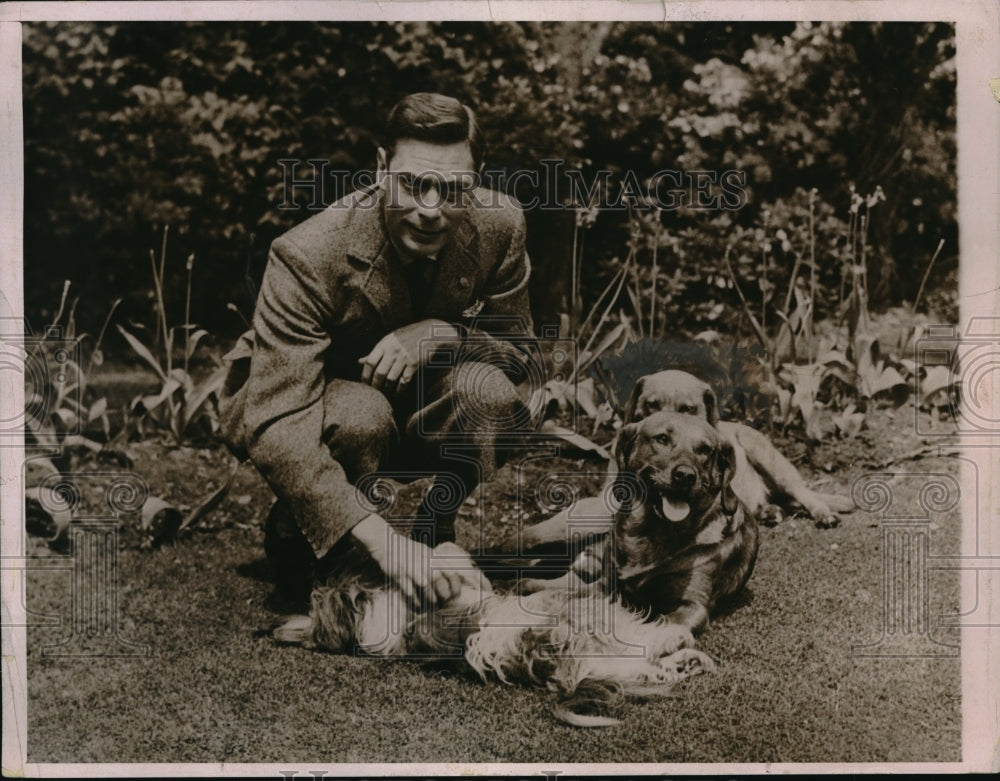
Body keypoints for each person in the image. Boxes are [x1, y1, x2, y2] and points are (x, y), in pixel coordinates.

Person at [219, 93, 542, 607]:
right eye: (413, 184)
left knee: (492, 395)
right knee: (361, 416)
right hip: (305, 401)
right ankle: (301, 534)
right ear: (381, 169)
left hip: (410, 399)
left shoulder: (501, 225)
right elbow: (278, 419)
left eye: (454, 188)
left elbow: (517, 353)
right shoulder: (307, 252)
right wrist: (381, 542)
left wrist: (443, 333)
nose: (430, 210)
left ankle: (434, 530)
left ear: (476, 179)